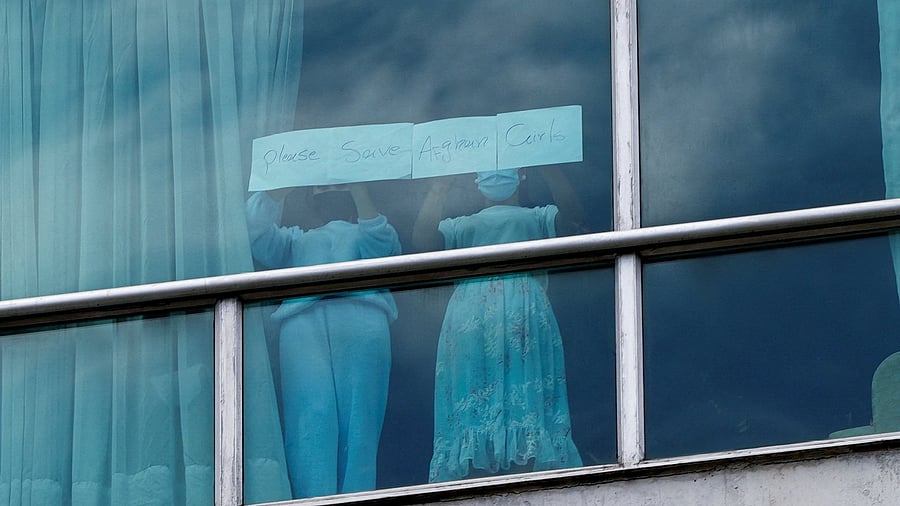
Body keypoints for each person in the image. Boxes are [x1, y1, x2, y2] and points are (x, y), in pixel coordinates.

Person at [413, 167, 583, 483]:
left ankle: (517, 467)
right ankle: (480, 469)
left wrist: (554, 170)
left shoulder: (536, 217)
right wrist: (439, 188)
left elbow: (573, 221)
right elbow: (423, 243)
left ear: (521, 176)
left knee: (517, 395)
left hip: (508, 313)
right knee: (478, 392)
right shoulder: (463, 226)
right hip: (483, 315)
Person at [246, 184, 400, 498]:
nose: (329, 193)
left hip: (359, 323)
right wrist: (279, 190)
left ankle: (354, 497)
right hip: (310, 327)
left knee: (358, 425)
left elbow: (385, 250)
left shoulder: (366, 233)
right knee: (311, 421)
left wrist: (359, 190)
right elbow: (253, 231)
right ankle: (313, 500)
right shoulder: (295, 241)